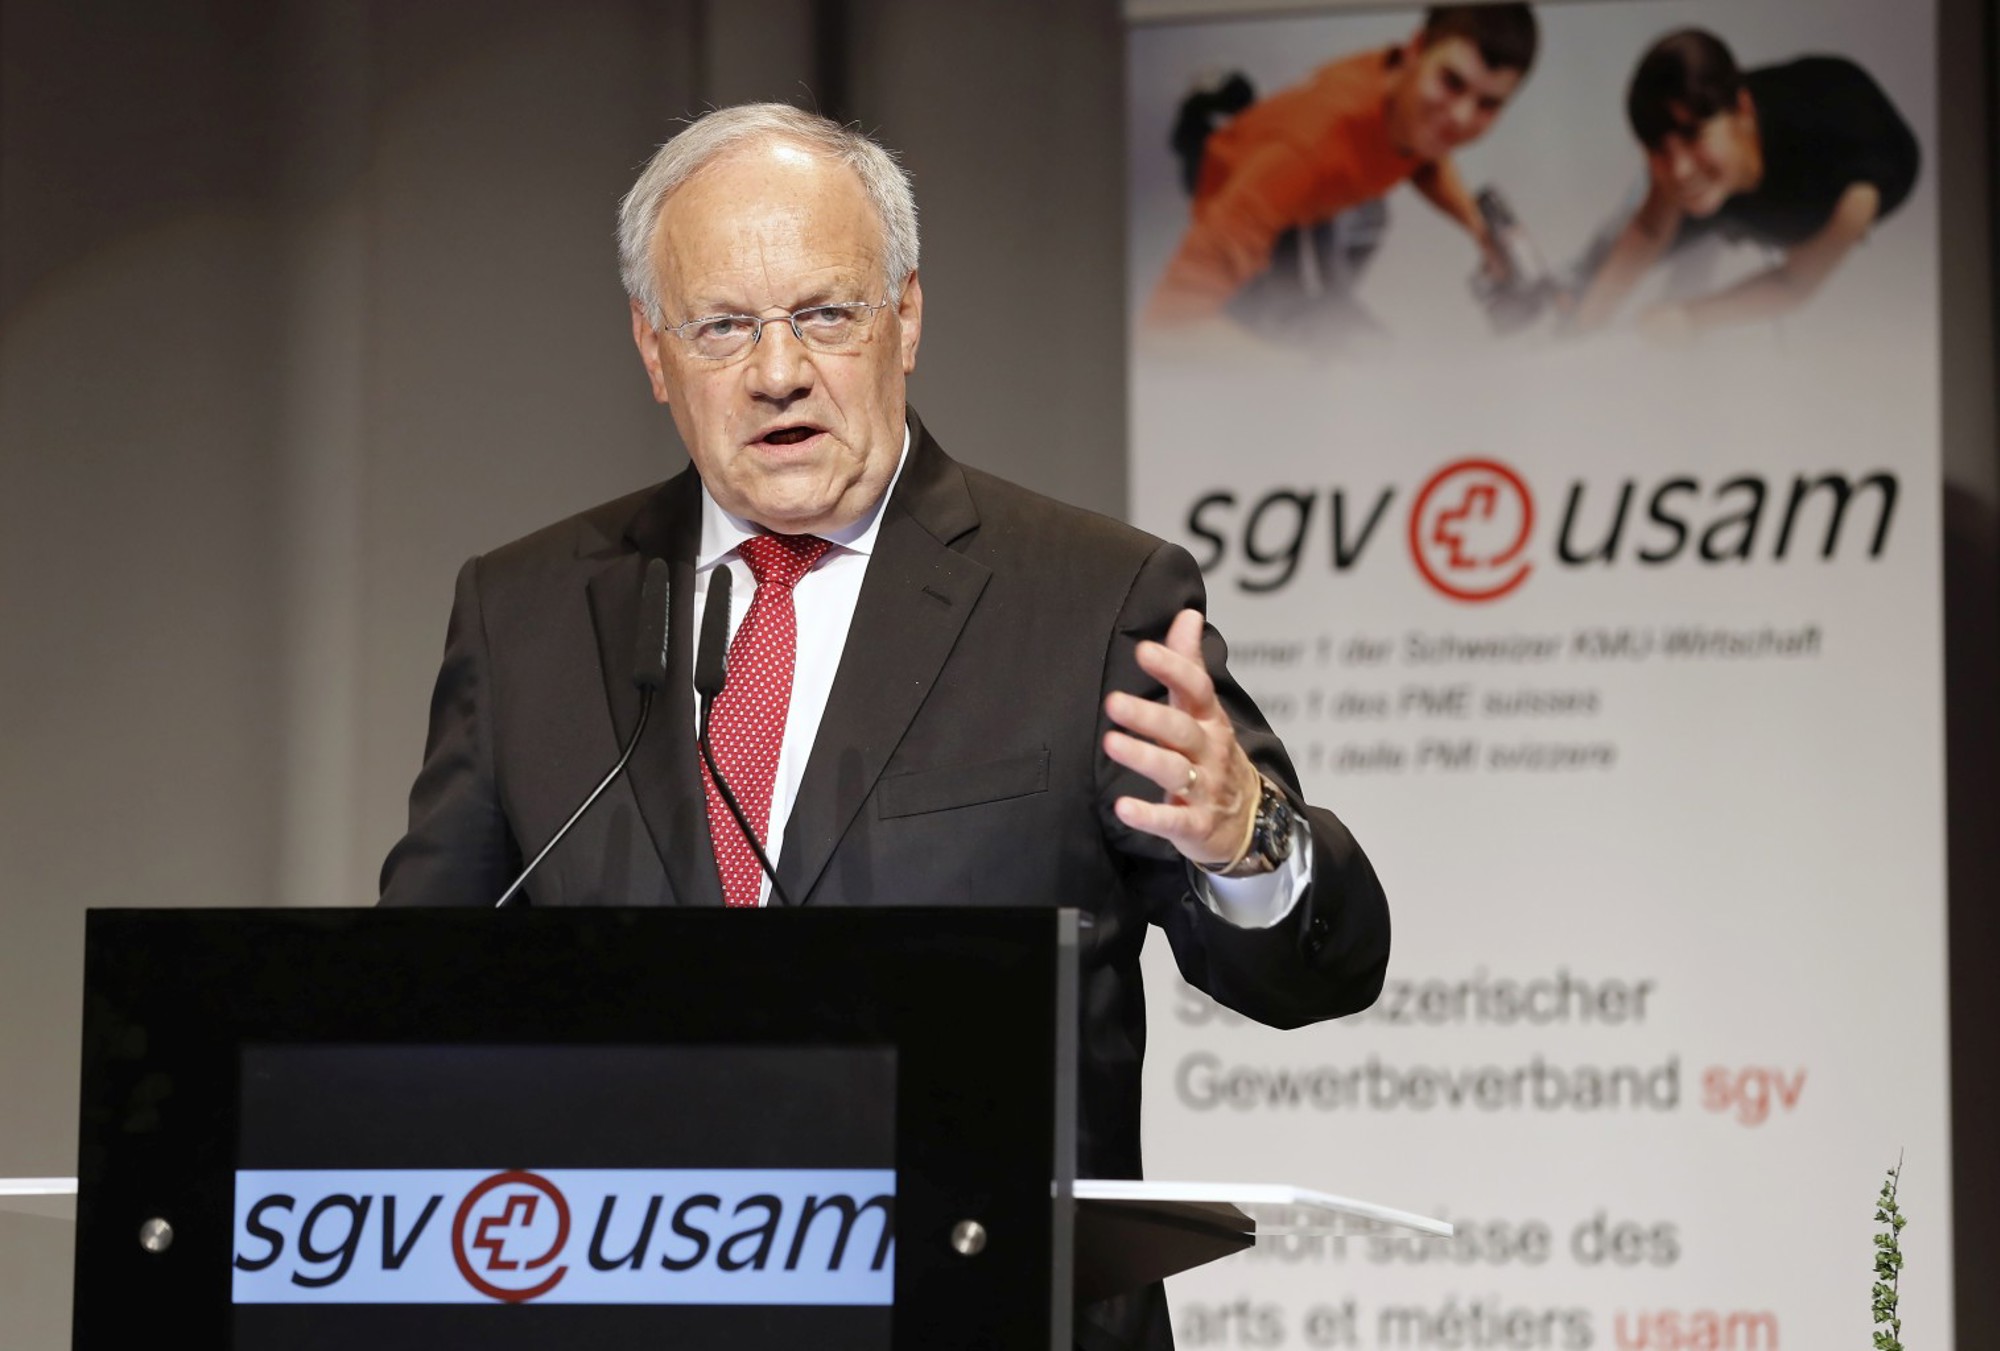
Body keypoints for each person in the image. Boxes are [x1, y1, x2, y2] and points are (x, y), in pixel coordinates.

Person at [378, 104, 1389, 1350]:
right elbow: (408, 1007)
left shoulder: (1089, 599)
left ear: (906, 317)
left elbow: (1312, 975)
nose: (777, 371)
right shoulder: (527, 613)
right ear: (651, 348)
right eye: (722, 326)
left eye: (824, 313)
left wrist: (1246, 841)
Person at [1143, 4, 1538, 337]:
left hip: (1303, 176)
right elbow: (1167, 322)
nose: (1460, 117)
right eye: (1452, 82)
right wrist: (1315, 377)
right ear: (1416, 48)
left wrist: (1478, 229)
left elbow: (1423, 157)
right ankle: (1202, 117)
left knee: (1370, 216)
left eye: (1488, 104)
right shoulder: (1306, 153)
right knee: (1320, 330)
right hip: (1249, 185)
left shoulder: (1408, 99)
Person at [1568, 29, 1920, 340]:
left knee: (1678, 305)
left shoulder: (1854, 186)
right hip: (1742, 170)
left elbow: (1792, 284)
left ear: (1744, 110)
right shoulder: (1689, 140)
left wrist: (1693, 317)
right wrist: (1587, 321)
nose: (1679, 170)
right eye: (1658, 149)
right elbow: (1649, 230)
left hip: (1839, 176)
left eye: (1693, 136)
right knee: (1610, 250)